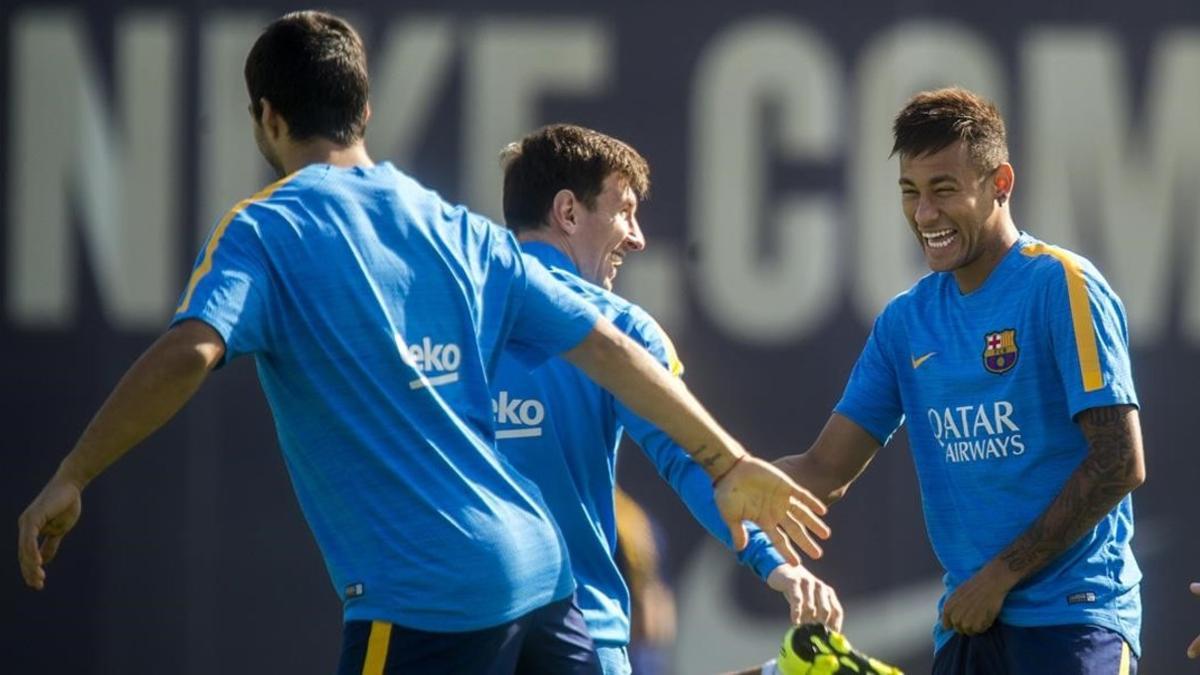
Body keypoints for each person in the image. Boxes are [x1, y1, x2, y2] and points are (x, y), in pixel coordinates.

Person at [15, 11, 831, 675]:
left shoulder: (266, 228)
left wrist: (72, 472)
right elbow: (608, 345)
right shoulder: (456, 229)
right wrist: (728, 460)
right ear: (365, 110)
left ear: (267, 118)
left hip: (424, 592)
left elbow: (190, 351)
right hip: (544, 578)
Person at [774, 87, 1145, 674]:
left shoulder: (1062, 285)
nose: (924, 215)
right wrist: (716, 472)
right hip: (969, 623)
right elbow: (824, 470)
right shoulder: (904, 322)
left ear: (1000, 183)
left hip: (1075, 619)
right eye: (910, 193)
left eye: (944, 190)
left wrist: (1000, 577)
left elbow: (1119, 461)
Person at [491, 124, 844, 675]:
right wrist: (776, 566)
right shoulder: (622, 328)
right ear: (567, 212)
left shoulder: (445, 310)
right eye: (624, 210)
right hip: (577, 632)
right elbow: (689, 458)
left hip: (445, 627)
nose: (637, 238)